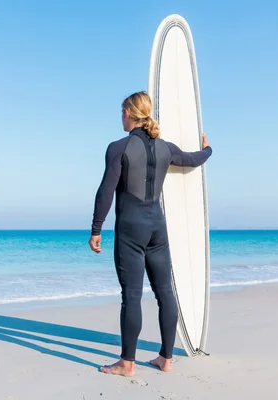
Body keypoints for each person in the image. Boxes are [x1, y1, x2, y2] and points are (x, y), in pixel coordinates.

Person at [88, 91, 212, 376]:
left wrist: (96, 229)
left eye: (122, 113)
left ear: (130, 114)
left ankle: (126, 363)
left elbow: (106, 191)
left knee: (131, 294)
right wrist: (208, 150)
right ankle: (165, 359)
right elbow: (193, 159)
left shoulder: (118, 148)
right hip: (158, 227)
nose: (121, 118)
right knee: (165, 292)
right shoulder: (165, 148)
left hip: (131, 230)